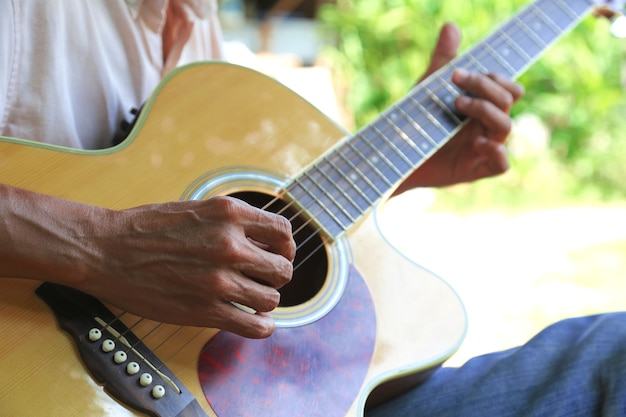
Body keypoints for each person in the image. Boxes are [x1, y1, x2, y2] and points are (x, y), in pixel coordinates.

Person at [5, 1, 622, 416]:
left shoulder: (193, 17)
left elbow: (211, 219)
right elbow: (138, 240)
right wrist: (101, 248)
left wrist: (402, 164)